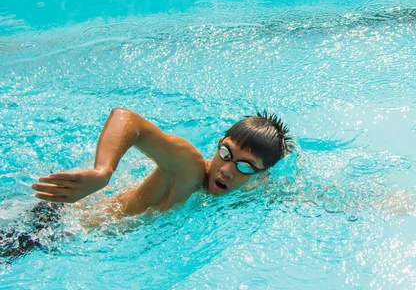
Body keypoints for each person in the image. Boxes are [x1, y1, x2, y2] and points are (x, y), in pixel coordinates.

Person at [2, 108, 292, 260]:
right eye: (225, 153)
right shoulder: (188, 167)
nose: (227, 170)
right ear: (218, 144)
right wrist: (103, 172)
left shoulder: (247, 190)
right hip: (52, 227)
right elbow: (127, 120)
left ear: (260, 175)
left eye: (244, 167)